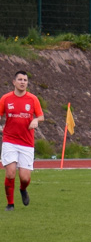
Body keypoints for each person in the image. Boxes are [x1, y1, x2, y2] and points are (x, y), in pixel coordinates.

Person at [1, 70, 44, 210]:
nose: (22, 82)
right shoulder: (6, 98)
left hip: (26, 143)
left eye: (25, 80)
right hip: (9, 140)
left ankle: (23, 189)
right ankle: (10, 204)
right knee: (10, 173)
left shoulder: (33, 99)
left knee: (25, 178)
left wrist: (36, 120)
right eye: (20, 79)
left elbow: (41, 116)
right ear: (14, 82)